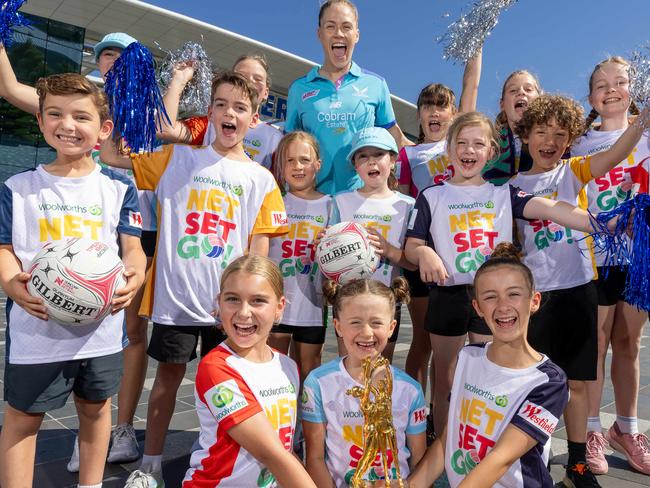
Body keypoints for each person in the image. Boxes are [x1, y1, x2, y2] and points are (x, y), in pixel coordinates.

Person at [101, 71, 289, 487]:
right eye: (220, 104)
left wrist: (248, 307)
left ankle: (222, 464)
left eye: (240, 107)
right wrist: (136, 95)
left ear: (254, 119)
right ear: (209, 111)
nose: (229, 113)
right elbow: (112, 153)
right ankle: (150, 462)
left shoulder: (262, 179)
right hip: (176, 301)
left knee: (232, 389)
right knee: (167, 381)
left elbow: (258, 257)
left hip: (230, 310)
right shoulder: (177, 157)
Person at [404, 111, 620, 439]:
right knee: (447, 378)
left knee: (492, 374)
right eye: (461, 143)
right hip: (448, 295)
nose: (469, 150)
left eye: (478, 144)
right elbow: (412, 246)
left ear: (491, 152)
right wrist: (424, 253)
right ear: (449, 149)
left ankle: (485, 441)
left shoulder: (504, 194)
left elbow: (551, 209)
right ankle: (446, 443)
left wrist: (602, 222)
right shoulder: (432, 196)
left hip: (492, 300)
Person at [1, 31, 156, 467]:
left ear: (104, 129)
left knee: (95, 410)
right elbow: (4, 248)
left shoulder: (118, 187)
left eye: (81, 117)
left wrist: (137, 274)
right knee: (22, 419)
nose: (67, 125)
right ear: (40, 122)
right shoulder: (19, 187)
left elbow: (133, 248)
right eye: (55, 114)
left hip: (101, 332)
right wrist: (14, 285)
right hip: (38, 334)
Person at [512, 94, 650, 487]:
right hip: (534, 299)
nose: (550, 140)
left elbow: (619, 151)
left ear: (570, 140)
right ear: (525, 135)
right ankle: (531, 455)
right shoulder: (509, 187)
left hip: (577, 289)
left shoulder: (573, 171)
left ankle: (576, 464)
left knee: (575, 383)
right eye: (541, 131)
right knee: (532, 382)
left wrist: (644, 120)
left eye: (560, 133)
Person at [407, 242, 569, 488]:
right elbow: (447, 438)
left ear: (534, 301)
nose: (503, 306)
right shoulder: (468, 358)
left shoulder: (549, 382)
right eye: (490, 297)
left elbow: (500, 459)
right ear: (478, 308)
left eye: (513, 294)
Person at [571, 56, 650, 476]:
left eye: (621, 81)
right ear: (591, 98)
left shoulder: (648, 136)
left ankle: (628, 427)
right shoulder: (579, 144)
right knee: (596, 345)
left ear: (634, 91)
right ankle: (591, 429)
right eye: (602, 84)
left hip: (636, 259)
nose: (612, 88)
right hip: (594, 260)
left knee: (628, 343)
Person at [396, 51, 481, 433]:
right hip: (418, 254)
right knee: (423, 341)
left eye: (442, 106)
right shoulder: (406, 153)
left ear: (453, 115)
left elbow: (470, 87)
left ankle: (440, 412)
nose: (434, 112)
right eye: (427, 106)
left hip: (456, 254)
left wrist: (475, 46)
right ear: (419, 115)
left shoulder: (457, 149)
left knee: (452, 344)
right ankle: (411, 410)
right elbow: (399, 201)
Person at [176, 255, 316, 487]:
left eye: (258, 300)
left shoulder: (287, 365)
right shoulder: (216, 368)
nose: (243, 312)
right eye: (233, 299)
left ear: (279, 307)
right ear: (219, 302)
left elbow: (285, 449)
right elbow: (272, 454)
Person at [302, 277, 427, 487]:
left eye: (376, 322)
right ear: (338, 326)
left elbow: (419, 460)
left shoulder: (410, 390)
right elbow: (314, 458)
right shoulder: (318, 383)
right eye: (355, 322)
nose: (367, 332)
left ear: (391, 327)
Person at [285, 0, 412, 195]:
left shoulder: (376, 85)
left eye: (346, 27)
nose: (339, 33)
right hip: (311, 200)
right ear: (319, 34)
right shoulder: (299, 89)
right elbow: (287, 147)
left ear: (356, 35)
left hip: (361, 200)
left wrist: (433, 150)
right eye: (330, 26)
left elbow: (394, 136)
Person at [333, 127, 416, 361]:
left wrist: (388, 250)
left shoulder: (407, 205)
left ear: (392, 160)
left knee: (380, 370)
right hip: (348, 301)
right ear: (355, 165)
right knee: (348, 367)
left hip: (387, 301)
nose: (371, 162)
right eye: (363, 156)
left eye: (378, 154)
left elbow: (412, 264)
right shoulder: (341, 201)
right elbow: (328, 259)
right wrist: (325, 248)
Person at [268, 131, 333, 382]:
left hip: (313, 306)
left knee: (309, 372)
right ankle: (278, 421)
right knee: (275, 370)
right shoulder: (272, 202)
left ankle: (306, 423)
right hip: (276, 303)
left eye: (305, 160)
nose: (298, 166)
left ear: (317, 164)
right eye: (290, 160)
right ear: (280, 166)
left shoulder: (331, 205)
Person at [159, 54, 282, 169]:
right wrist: (178, 81)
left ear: (266, 92)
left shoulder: (275, 139)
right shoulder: (210, 124)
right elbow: (164, 129)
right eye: (241, 75)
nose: (249, 81)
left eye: (258, 78)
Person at [482, 70, 542, 185]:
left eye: (528, 89)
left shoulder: (557, 138)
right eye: (513, 90)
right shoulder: (490, 144)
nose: (521, 92)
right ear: (502, 104)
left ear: (540, 99)